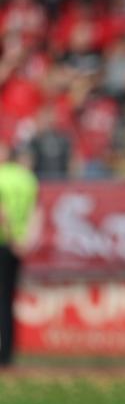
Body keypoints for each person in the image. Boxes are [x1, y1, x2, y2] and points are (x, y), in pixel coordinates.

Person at [0, 143, 39, 367]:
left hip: (4, 240)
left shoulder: (2, 176)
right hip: (18, 245)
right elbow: (35, 212)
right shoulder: (29, 180)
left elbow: (2, 212)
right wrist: (24, 241)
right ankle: (8, 353)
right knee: (8, 298)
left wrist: (10, 236)